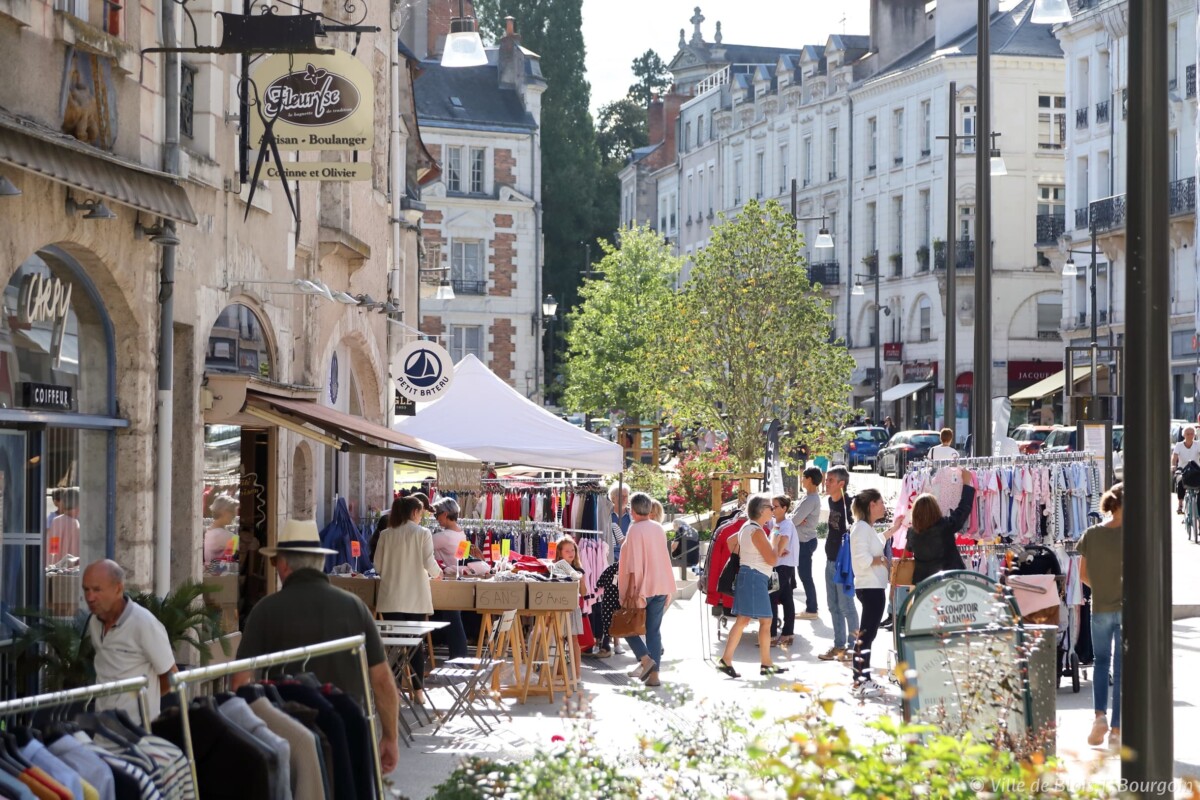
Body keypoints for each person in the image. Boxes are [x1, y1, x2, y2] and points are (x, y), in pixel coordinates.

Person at [232, 519, 399, 774]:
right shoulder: (355, 607)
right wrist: (390, 736)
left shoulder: (265, 610)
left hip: (288, 735)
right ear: (319, 561)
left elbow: (240, 682)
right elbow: (382, 680)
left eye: (275, 562)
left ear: (285, 565)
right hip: (349, 732)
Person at [83, 559, 177, 720]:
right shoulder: (94, 622)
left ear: (118, 588)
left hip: (137, 733)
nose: (90, 597)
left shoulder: (143, 623)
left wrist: (141, 702)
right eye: (86, 589)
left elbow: (171, 677)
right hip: (103, 729)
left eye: (97, 590)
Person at [374, 496, 442, 705]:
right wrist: (438, 573)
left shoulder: (385, 534)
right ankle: (418, 690)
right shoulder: (422, 533)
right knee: (415, 645)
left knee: (394, 646)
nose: (421, 517)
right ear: (414, 512)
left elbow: (378, 567)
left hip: (391, 596)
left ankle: (393, 690)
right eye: (420, 513)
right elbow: (428, 561)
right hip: (415, 597)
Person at [716, 493, 786, 678]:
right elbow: (771, 559)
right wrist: (776, 540)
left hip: (749, 575)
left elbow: (731, 542)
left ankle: (728, 660)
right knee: (765, 620)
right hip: (755, 577)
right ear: (761, 510)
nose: (772, 511)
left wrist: (747, 555)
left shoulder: (747, 527)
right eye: (770, 507)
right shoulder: (757, 531)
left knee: (744, 620)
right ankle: (765, 664)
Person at [1078, 483, 1123, 752]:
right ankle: (1116, 730)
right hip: (1126, 608)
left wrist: (1102, 587)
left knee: (1101, 663)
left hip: (1100, 608)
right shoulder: (1133, 535)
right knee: (1120, 669)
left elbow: (1082, 574)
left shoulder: (1092, 534)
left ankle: (1099, 717)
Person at [848, 490, 905, 696]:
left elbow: (876, 542)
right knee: (866, 635)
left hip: (873, 586)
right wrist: (880, 560)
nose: (884, 506)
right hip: (870, 587)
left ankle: (862, 679)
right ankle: (860, 680)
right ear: (872, 505)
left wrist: (893, 530)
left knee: (868, 634)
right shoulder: (862, 528)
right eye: (881, 502)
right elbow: (862, 557)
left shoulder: (865, 528)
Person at [617, 492, 677, 687]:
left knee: (626, 627)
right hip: (660, 584)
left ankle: (645, 659)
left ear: (632, 511)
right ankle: (654, 676)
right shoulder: (658, 528)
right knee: (654, 631)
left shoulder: (634, 529)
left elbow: (633, 563)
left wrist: (630, 591)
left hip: (641, 586)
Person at [908, 468, 977, 585]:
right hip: (948, 579)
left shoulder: (912, 532)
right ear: (935, 509)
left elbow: (910, 548)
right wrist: (966, 485)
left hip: (924, 583)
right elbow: (963, 509)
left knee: (927, 604)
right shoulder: (944, 526)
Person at [819, 467, 859, 662]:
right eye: (826, 479)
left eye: (830, 480)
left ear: (841, 484)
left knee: (846, 606)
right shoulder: (831, 501)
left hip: (843, 563)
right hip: (830, 560)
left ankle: (854, 648)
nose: (826, 483)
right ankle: (838, 645)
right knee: (833, 605)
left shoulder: (849, 504)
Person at [791, 468, 823, 621]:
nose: (801, 479)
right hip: (802, 541)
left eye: (803, 477)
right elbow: (795, 517)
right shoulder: (808, 497)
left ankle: (812, 608)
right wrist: (795, 518)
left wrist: (796, 519)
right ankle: (811, 607)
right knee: (803, 575)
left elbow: (793, 520)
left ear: (810, 479)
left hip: (805, 541)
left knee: (805, 576)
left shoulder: (811, 499)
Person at [768, 495, 798, 646]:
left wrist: (777, 550)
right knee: (786, 599)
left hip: (783, 566)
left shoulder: (786, 525)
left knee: (773, 598)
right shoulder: (776, 523)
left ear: (784, 508)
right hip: (782, 565)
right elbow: (777, 545)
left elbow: (779, 548)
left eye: (776, 506)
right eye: (771, 506)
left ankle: (772, 635)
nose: (772, 509)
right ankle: (787, 634)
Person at [555, 536, 586, 673]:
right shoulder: (555, 568)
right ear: (560, 552)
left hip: (572, 608)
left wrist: (580, 579)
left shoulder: (578, 570)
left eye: (572, 550)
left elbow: (584, 592)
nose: (570, 553)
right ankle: (560, 672)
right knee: (559, 639)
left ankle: (577, 673)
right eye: (567, 550)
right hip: (558, 607)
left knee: (573, 641)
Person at [45, 487, 80, 566]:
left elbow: (53, 549)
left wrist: (52, 564)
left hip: (53, 568)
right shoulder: (75, 524)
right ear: (78, 506)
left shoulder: (56, 521)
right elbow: (75, 552)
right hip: (69, 570)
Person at [203, 494, 239, 563]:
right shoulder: (221, 534)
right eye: (232, 511)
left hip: (214, 570)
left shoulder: (212, 530)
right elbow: (246, 545)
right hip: (218, 572)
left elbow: (231, 552)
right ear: (224, 512)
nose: (235, 514)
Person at [1173, 426, 1200, 514]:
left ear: (1194, 435)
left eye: (1192, 434)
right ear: (1184, 435)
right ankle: (1180, 504)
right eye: (1187, 434)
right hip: (1183, 469)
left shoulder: (1198, 444)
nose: (1190, 436)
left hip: (1195, 469)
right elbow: (1174, 457)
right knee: (1180, 481)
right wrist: (1173, 465)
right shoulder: (1179, 445)